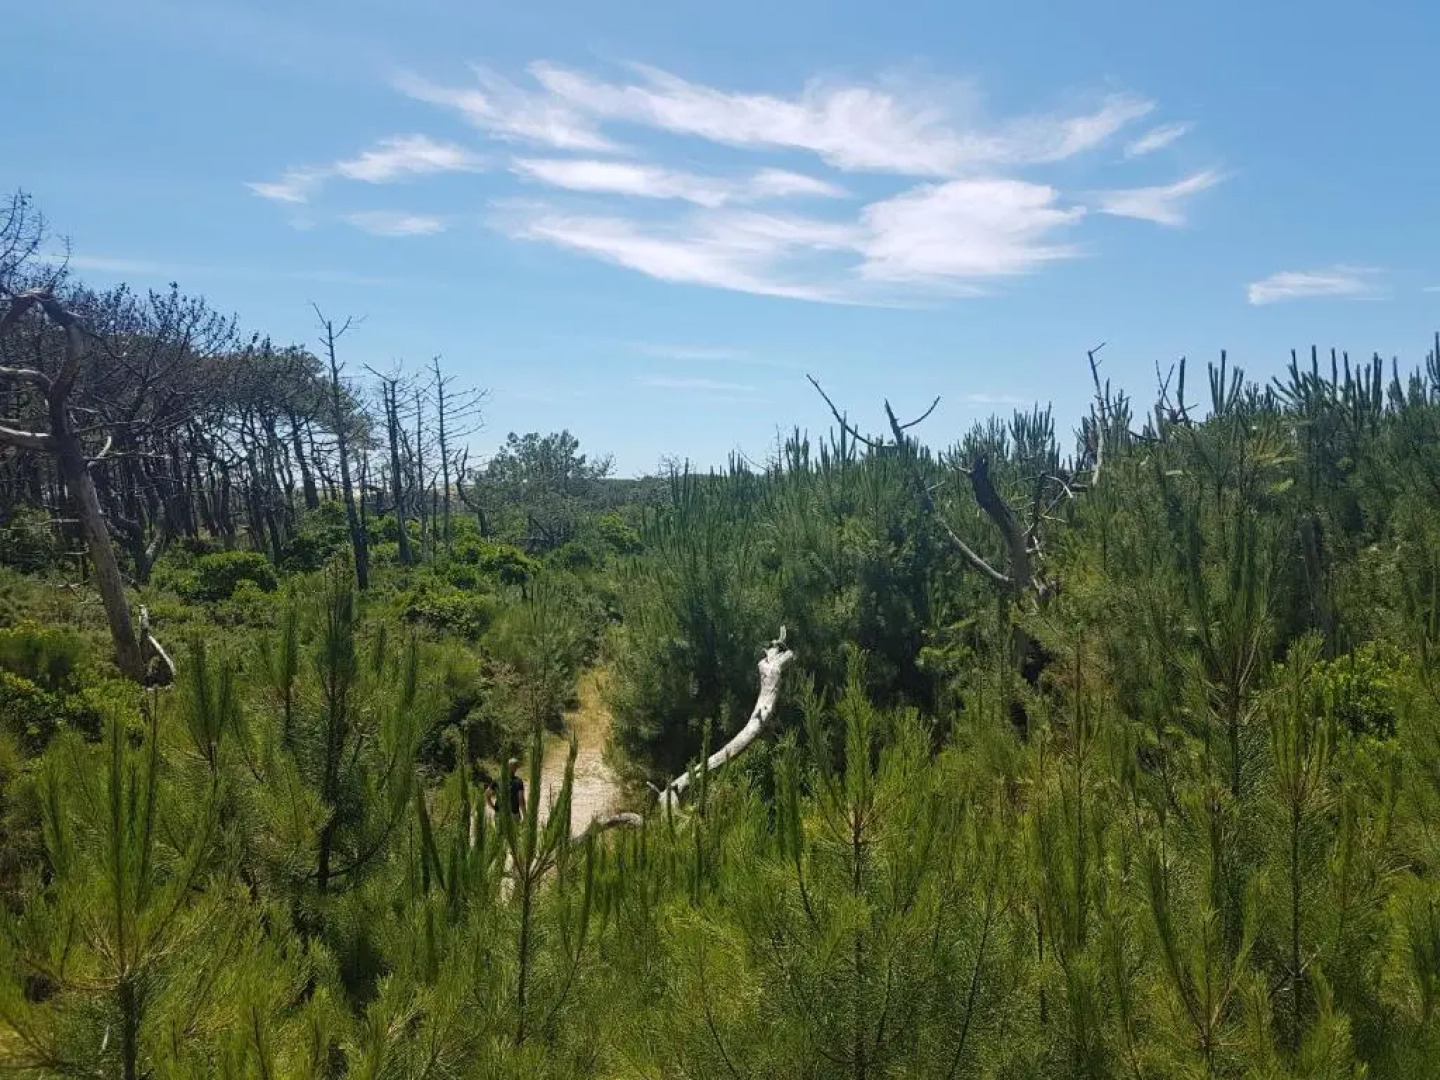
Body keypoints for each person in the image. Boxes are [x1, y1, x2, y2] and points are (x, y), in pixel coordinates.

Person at [506, 757, 525, 821]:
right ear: (515, 768)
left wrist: (493, 807)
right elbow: (521, 800)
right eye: (516, 766)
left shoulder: (498, 780)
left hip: (500, 814)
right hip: (514, 814)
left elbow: (487, 793)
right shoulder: (518, 781)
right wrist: (525, 815)